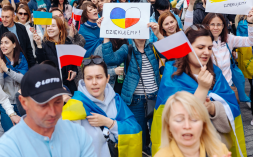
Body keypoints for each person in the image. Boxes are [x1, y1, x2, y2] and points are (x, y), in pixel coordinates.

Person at [151, 25, 246, 156]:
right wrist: (202, 89)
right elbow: (178, 117)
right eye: (200, 48)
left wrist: (212, 107)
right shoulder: (171, 74)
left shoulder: (216, 73)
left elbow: (231, 110)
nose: (206, 52)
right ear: (187, 48)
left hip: (214, 145)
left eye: (210, 47)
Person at [0, 64, 95, 157]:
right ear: (23, 102)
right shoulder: (7, 150)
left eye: (58, 102)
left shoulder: (78, 133)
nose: (53, 112)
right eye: (43, 105)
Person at [62, 55, 142, 157]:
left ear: (107, 78)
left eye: (99, 77)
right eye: (89, 78)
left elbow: (135, 129)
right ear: (83, 81)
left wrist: (109, 123)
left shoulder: (116, 100)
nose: (94, 82)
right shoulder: (74, 107)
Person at [101, 22, 161, 154]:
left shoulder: (154, 47)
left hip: (155, 99)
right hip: (135, 102)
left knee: (158, 137)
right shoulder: (126, 49)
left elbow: (171, 54)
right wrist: (105, 34)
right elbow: (110, 59)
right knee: (138, 136)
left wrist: (158, 34)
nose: (141, 34)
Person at [154, 91, 231, 157]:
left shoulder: (219, 150)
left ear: (203, 125)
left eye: (194, 119)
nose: (187, 126)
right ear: (168, 126)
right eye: (179, 120)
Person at [0, 32, 28, 131]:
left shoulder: (22, 58)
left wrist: (7, 70)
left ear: (14, 44)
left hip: (21, 102)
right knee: (10, 133)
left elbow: (23, 80)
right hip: (6, 104)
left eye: (6, 43)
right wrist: (1, 71)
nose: (3, 46)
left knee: (24, 133)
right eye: (1, 43)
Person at [33, 16, 78, 94]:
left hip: (68, 86)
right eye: (48, 26)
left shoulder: (68, 43)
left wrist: (74, 72)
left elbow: (73, 65)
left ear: (60, 29)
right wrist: (39, 45)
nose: (50, 28)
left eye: (53, 26)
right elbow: (42, 64)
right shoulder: (44, 44)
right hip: (52, 86)